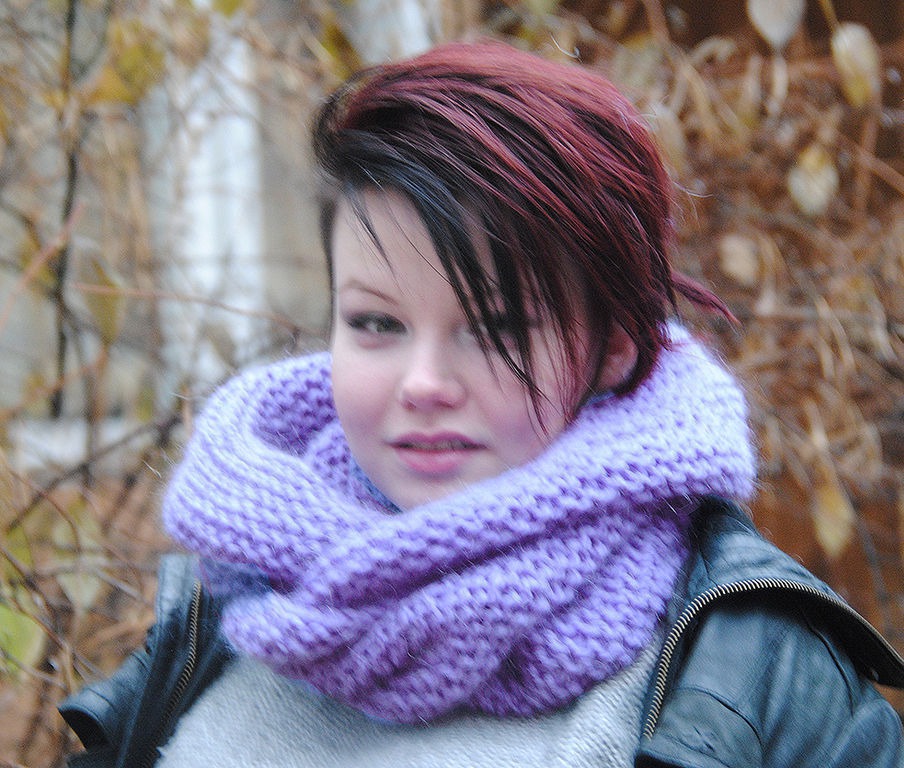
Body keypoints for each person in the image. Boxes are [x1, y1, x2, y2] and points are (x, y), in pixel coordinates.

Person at [60, 40, 904, 767]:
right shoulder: (239, 594)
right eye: (377, 323)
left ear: (613, 343)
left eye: (494, 328)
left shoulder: (757, 670)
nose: (423, 383)